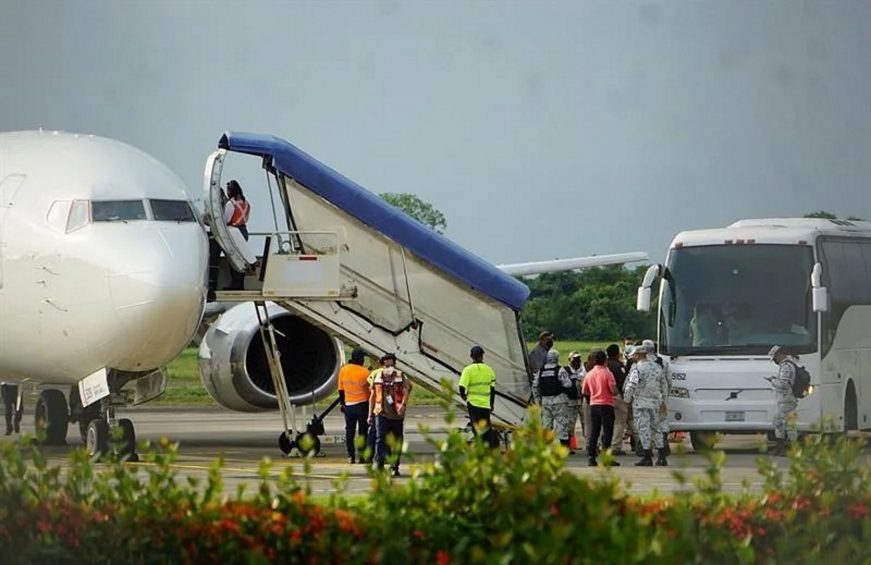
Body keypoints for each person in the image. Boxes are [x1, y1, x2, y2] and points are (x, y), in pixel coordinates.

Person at [624, 343, 669, 466]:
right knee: (657, 429)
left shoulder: (637, 369)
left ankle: (647, 457)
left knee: (644, 429)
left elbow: (631, 385)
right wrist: (664, 401)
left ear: (638, 355)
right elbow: (664, 386)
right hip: (656, 403)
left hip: (641, 403)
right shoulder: (657, 367)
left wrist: (626, 400)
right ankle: (661, 457)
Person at [368, 353, 412, 477]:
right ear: (381, 366)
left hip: (397, 415)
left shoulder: (400, 376)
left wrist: (403, 404)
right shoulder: (377, 376)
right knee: (380, 439)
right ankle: (379, 465)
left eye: (392, 365)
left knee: (397, 441)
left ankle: (395, 466)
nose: (389, 368)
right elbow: (372, 396)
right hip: (381, 413)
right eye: (387, 365)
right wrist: (369, 415)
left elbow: (406, 390)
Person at [582, 350, 619, 467]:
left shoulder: (589, 374)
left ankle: (591, 458)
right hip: (606, 404)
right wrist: (615, 391)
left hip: (594, 405)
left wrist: (594, 393)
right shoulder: (607, 373)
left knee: (594, 432)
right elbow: (613, 390)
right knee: (607, 432)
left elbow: (584, 391)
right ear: (605, 360)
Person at [532, 349, 574, 450]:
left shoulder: (541, 371)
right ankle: (563, 447)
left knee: (546, 424)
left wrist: (538, 400)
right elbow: (568, 384)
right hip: (559, 401)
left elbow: (535, 386)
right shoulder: (560, 370)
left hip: (545, 402)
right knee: (562, 424)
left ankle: (546, 448)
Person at [458, 345, 499, 448]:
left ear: (471, 356)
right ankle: (489, 448)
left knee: (476, 428)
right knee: (486, 427)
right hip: (485, 405)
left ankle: (480, 448)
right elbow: (492, 390)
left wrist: (464, 397)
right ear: (482, 356)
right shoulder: (490, 370)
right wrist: (491, 404)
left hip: (473, 404)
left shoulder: (467, 370)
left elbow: (462, 387)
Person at [337, 348, 371, 464]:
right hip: (362, 405)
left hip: (348, 405)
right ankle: (362, 456)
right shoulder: (365, 372)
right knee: (363, 432)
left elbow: (341, 390)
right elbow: (370, 390)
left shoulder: (343, 370)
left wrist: (343, 404)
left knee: (349, 431)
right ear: (361, 359)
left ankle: (351, 456)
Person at [765, 345, 798, 456]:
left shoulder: (786, 367)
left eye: (775, 358)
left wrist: (773, 381)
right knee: (790, 424)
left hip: (786, 399)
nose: (774, 361)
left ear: (779, 355)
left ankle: (782, 447)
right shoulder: (789, 365)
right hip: (788, 399)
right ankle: (791, 448)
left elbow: (784, 384)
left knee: (778, 422)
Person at [646, 339, 672, 456]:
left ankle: (648, 448)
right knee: (662, 420)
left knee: (647, 422)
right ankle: (664, 444)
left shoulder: (641, 363)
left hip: (646, 397)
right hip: (662, 396)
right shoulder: (663, 362)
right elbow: (669, 380)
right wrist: (666, 394)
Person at [224, 180, 251, 291]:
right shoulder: (246, 203)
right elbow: (247, 218)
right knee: (242, 257)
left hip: (234, 232)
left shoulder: (231, 204)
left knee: (233, 258)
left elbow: (226, 219)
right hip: (243, 231)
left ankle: (235, 284)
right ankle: (240, 283)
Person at [605, 344, 629, 455]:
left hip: (605, 397)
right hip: (617, 396)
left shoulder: (604, 365)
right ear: (616, 353)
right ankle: (615, 446)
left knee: (606, 422)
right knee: (620, 422)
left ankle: (605, 445)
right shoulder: (619, 366)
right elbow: (623, 382)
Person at [563, 351, 586, 453]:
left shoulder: (583, 370)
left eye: (578, 359)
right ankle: (568, 446)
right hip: (570, 401)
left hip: (582, 400)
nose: (577, 361)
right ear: (570, 360)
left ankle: (591, 445)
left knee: (586, 423)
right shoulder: (565, 371)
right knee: (570, 424)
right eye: (574, 359)